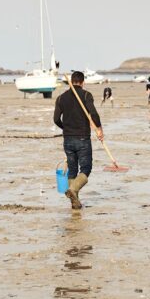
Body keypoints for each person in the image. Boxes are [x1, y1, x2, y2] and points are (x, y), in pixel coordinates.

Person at [53, 71, 104, 210]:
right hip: (82, 138)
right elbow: (93, 114)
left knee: (73, 170)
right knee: (86, 168)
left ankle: (74, 201)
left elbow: (56, 119)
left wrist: (66, 128)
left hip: (68, 139)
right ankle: (74, 190)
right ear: (82, 82)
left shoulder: (60, 98)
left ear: (72, 81)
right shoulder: (86, 95)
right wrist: (99, 129)